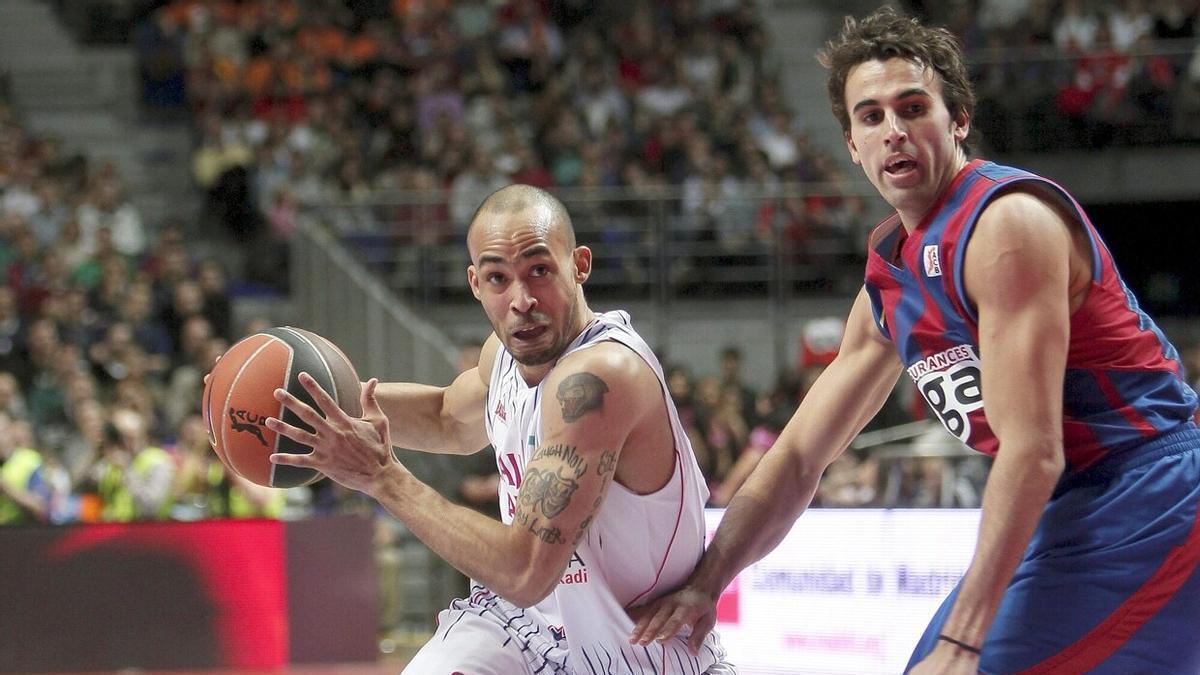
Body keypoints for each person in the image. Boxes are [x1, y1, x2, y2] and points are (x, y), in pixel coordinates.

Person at [630, 8, 1200, 674]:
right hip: (1080, 503)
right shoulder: (888, 278)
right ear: (850, 143)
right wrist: (708, 579)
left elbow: (1035, 449)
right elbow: (798, 457)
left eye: (912, 108)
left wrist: (962, 643)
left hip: (1155, 489)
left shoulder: (1006, 225)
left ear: (957, 118)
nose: (893, 131)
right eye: (870, 117)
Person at [265, 184, 734, 674]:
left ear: (579, 265)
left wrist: (380, 475)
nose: (522, 299)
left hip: (635, 651)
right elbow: (448, 419)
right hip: (523, 628)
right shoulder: (502, 353)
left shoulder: (599, 379)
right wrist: (320, 403)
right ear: (474, 283)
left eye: (539, 270)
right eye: (498, 278)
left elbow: (526, 570)